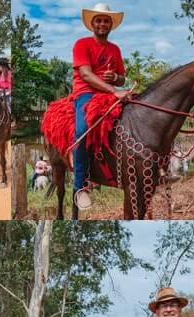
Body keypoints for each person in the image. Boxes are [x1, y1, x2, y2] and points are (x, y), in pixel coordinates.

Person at [71, 3, 128, 210]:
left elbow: (122, 79)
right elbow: (85, 74)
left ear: (110, 25)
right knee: (82, 131)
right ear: (92, 24)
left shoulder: (115, 49)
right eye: (99, 20)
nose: (102, 24)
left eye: (106, 21)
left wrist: (116, 78)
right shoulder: (82, 44)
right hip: (86, 93)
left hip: (110, 93)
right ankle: (80, 185)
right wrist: (113, 89)